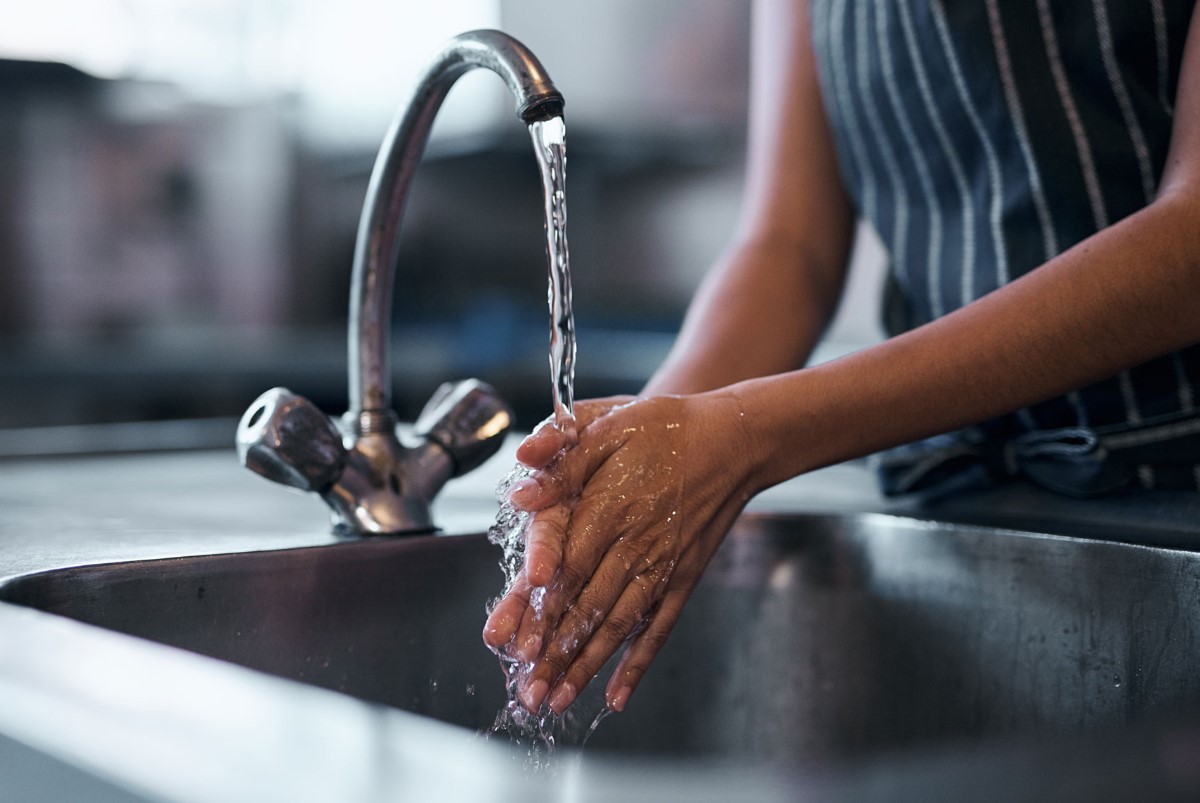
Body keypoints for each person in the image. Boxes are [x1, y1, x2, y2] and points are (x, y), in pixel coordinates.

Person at [482, 0, 1200, 717]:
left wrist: (750, 430)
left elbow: (1189, 243)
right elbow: (790, 249)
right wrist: (638, 457)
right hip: (950, 495)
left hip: (1173, 495)